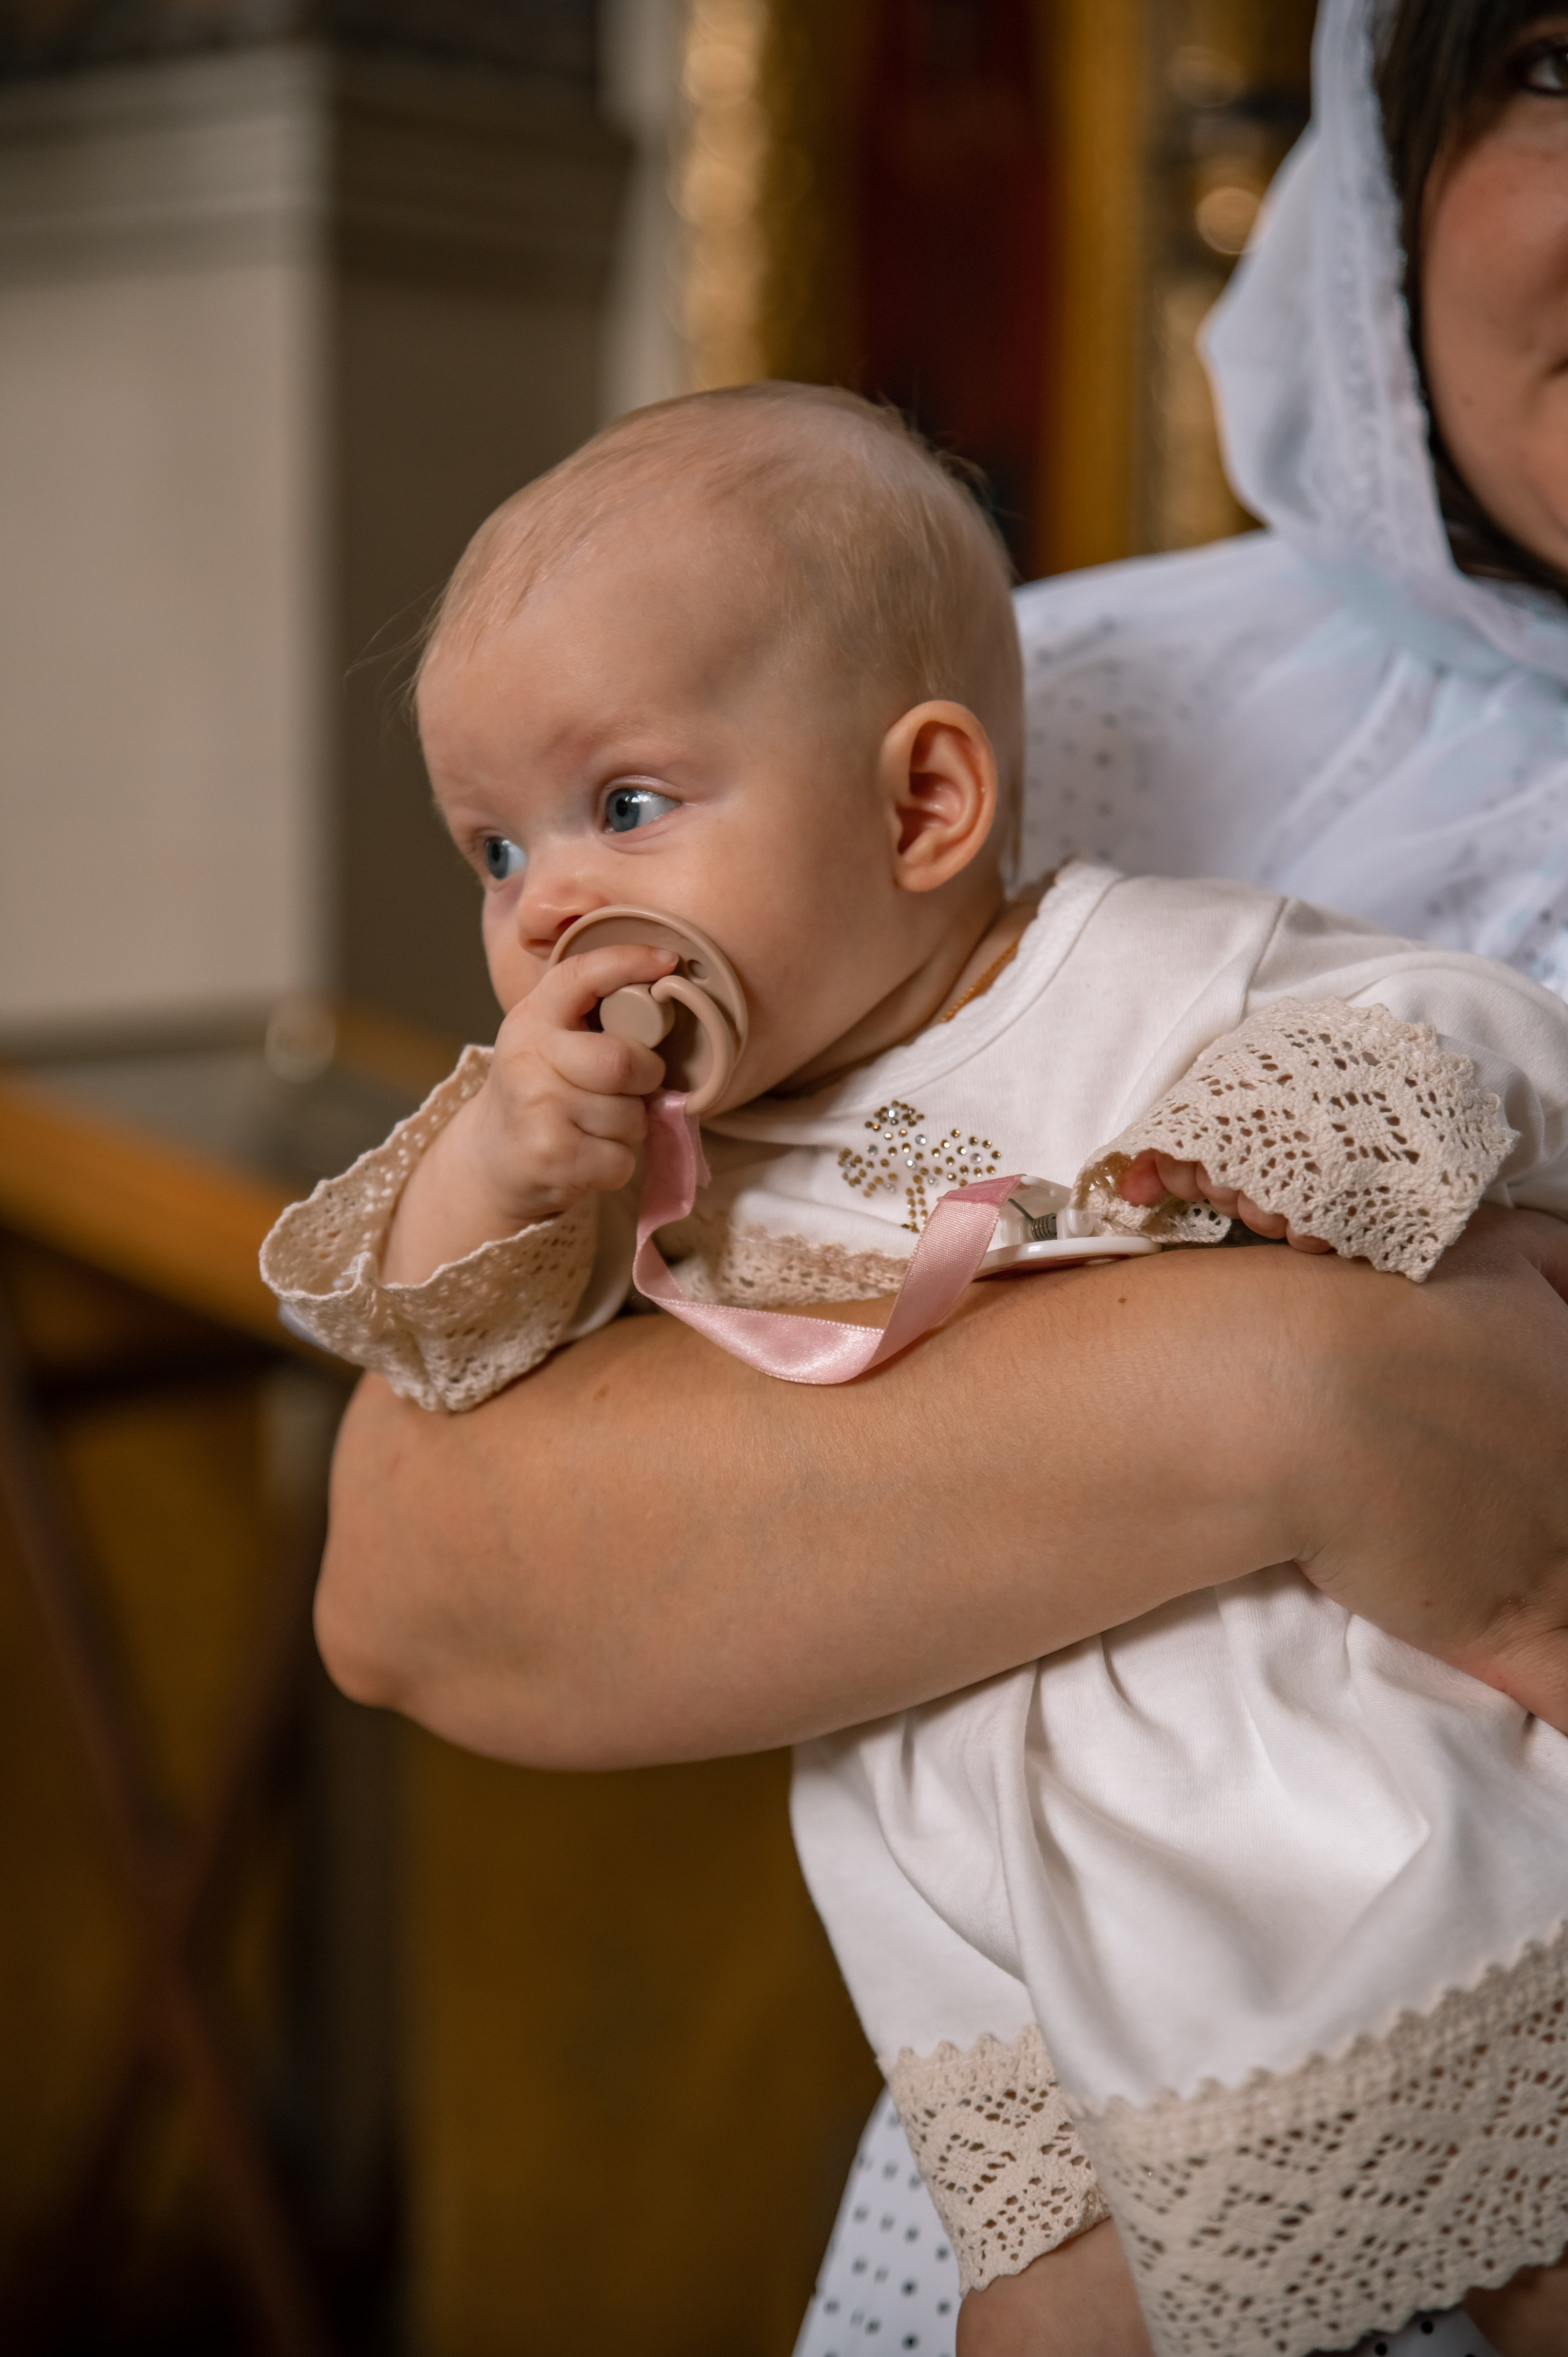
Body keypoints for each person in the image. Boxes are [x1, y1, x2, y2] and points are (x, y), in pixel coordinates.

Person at [307, 0, 1568, 2349]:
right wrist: (512, 1157)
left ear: (924, 806)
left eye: (620, 812)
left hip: (1358, 1823)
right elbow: (418, 1511)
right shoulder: (728, 1079)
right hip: (988, 1933)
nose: (550, 901)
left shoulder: (1115, 959)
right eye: (495, 849)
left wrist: (1256, 1174)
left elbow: (1441, 1035)